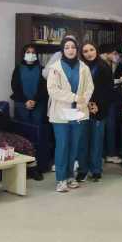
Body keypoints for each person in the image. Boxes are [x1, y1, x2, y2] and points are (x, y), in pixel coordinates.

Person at [47, 36, 94, 193]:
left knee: (74, 146)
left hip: (78, 111)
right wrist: (74, 97)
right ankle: (60, 179)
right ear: (62, 50)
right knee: (62, 145)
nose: (70, 50)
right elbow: (53, 90)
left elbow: (89, 87)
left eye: (73, 47)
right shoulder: (55, 68)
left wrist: (83, 101)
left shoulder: (84, 67)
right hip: (61, 112)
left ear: (77, 49)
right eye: (67, 47)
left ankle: (70, 176)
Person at [76, 42, 113, 182]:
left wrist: (99, 106)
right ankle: (82, 170)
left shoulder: (104, 67)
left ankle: (96, 170)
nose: (89, 53)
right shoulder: (79, 67)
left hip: (99, 110)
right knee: (82, 141)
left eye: (91, 50)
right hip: (82, 109)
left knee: (96, 141)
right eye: (85, 51)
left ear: (96, 51)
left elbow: (108, 91)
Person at [10, 44, 48, 126]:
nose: (31, 54)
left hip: (38, 104)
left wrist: (35, 100)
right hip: (22, 103)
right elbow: (15, 87)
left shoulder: (42, 69)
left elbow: (44, 88)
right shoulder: (18, 69)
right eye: (28, 52)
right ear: (24, 54)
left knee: (38, 130)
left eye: (33, 52)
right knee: (23, 130)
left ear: (36, 55)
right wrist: (25, 101)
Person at [100, 44, 122, 165]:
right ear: (106, 53)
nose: (117, 56)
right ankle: (101, 154)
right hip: (101, 100)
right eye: (114, 53)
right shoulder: (100, 63)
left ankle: (110, 153)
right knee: (100, 129)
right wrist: (119, 80)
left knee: (110, 127)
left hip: (110, 100)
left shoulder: (114, 64)